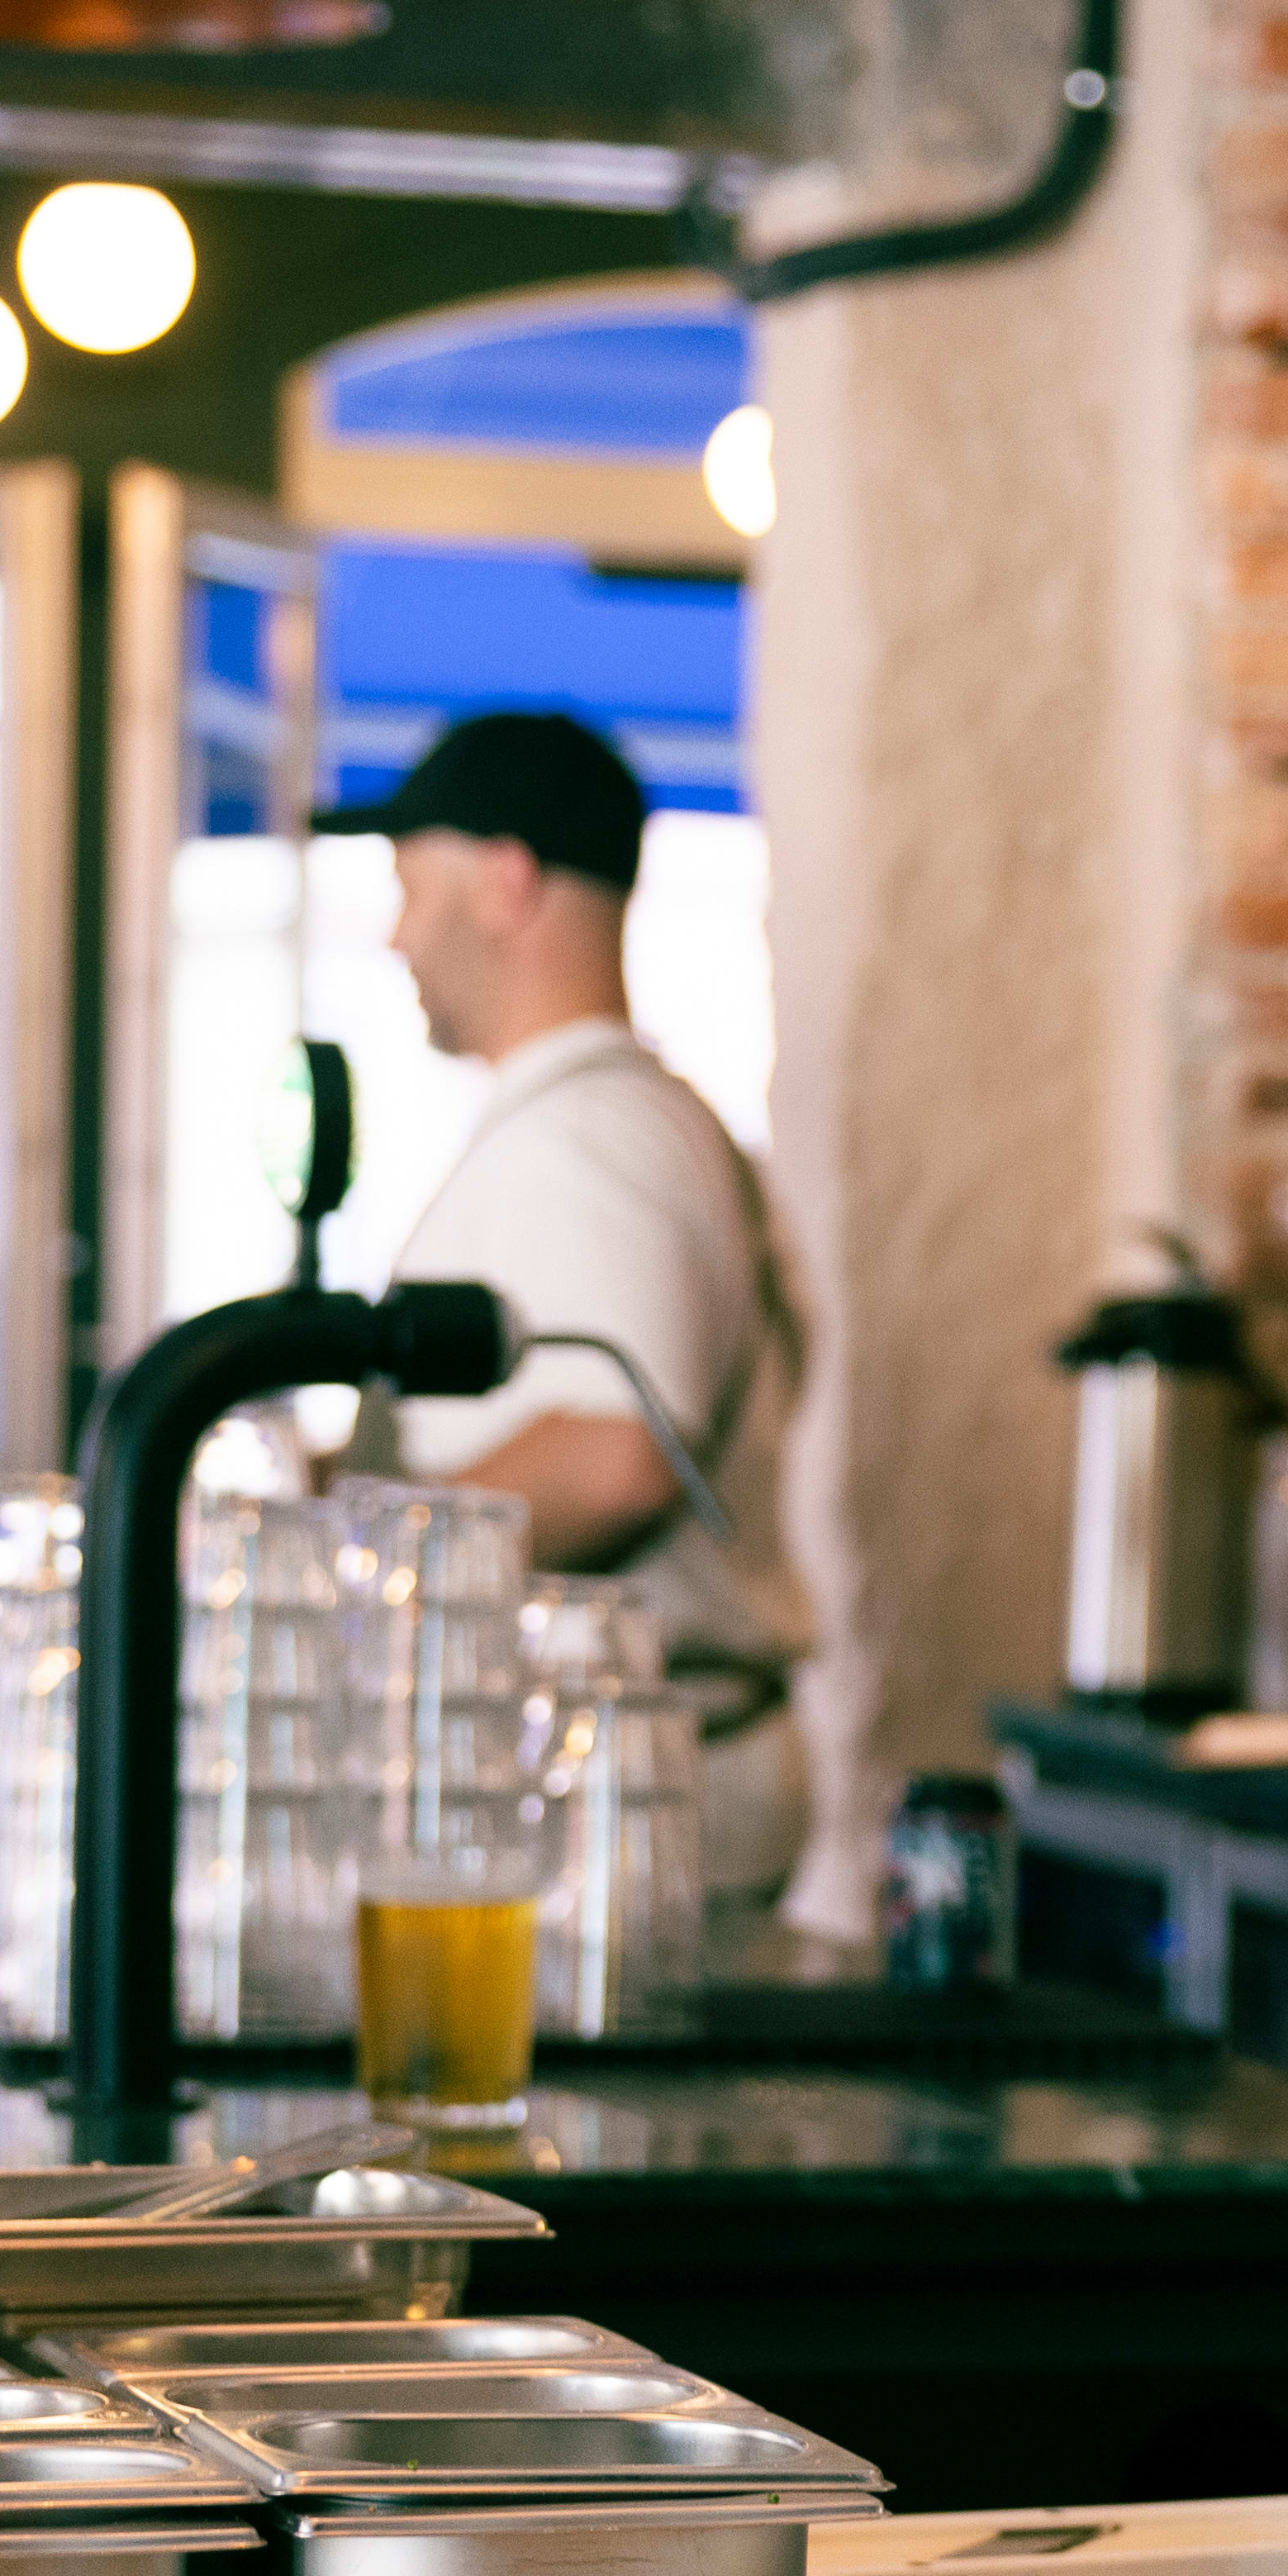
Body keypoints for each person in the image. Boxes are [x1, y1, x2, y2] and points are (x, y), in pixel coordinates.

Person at [327, 707, 806, 1879]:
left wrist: (348, 1566)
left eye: (409, 886)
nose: (395, 936)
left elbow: (616, 1457)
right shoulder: (608, 1120)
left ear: (506, 881)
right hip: (612, 1784)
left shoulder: (592, 1135)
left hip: (614, 1800)